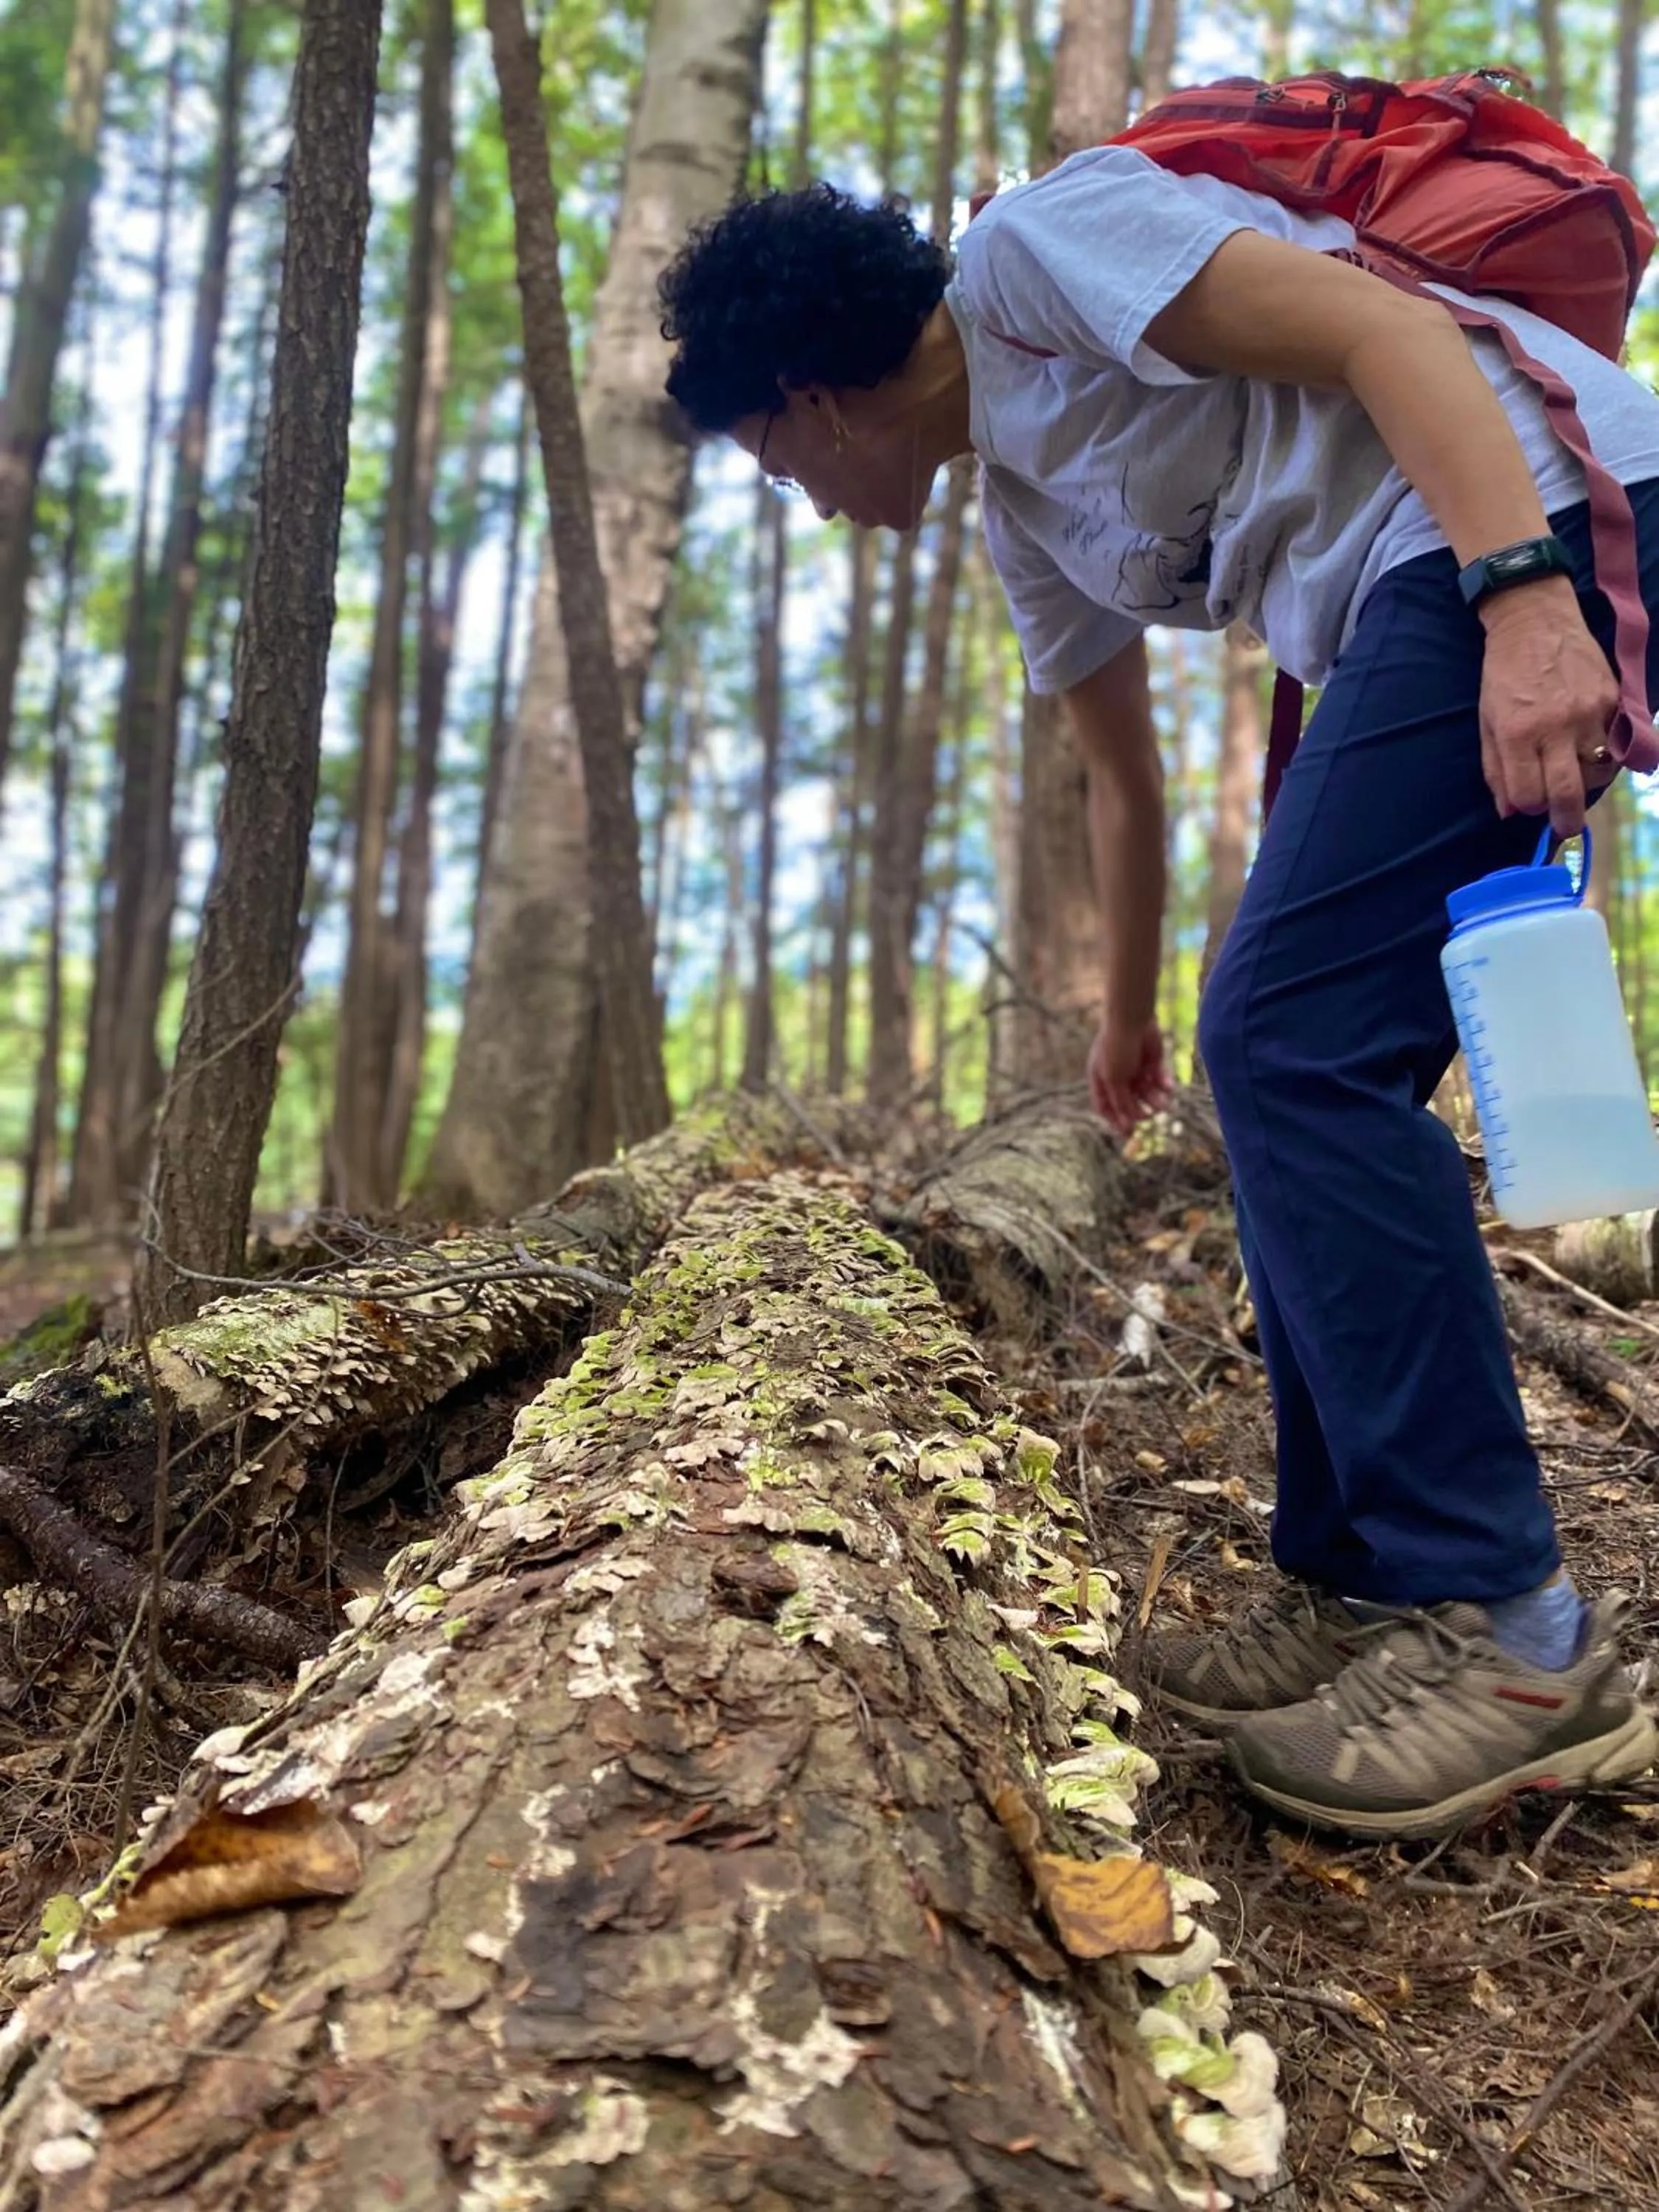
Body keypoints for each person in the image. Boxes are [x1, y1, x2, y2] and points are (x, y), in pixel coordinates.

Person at [655, 143, 1659, 1840]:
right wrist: (1127, 1024)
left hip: (1525, 513)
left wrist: (1527, 598)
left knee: (1290, 1040)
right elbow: (1113, 779)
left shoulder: (1043, 253)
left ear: (815, 398)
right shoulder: (1025, 507)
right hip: (1424, 588)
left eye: (772, 463)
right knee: (1274, 1051)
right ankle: (1358, 1589)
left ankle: (1516, 1637)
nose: (807, 502)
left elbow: (1391, 340)